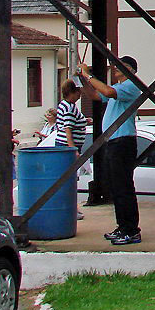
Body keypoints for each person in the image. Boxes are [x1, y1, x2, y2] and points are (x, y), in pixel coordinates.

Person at [77, 57, 143, 245]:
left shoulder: (130, 86)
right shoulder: (119, 86)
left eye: (120, 66)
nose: (115, 68)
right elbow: (97, 96)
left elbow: (107, 91)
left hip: (123, 141)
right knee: (117, 187)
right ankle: (122, 226)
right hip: (114, 141)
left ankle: (131, 230)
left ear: (130, 69)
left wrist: (88, 75)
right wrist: (83, 81)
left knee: (124, 188)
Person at [55, 80, 90, 220]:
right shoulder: (69, 108)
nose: (80, 94)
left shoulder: (65, 105)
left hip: (65, 146)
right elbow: (68, 128)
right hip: (67, 147)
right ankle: (70, 209)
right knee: (69, 180)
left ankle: (72, 208)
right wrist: (73, 149)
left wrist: (84, 121)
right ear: (73, 92)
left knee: (69, 179)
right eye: (78, 91)